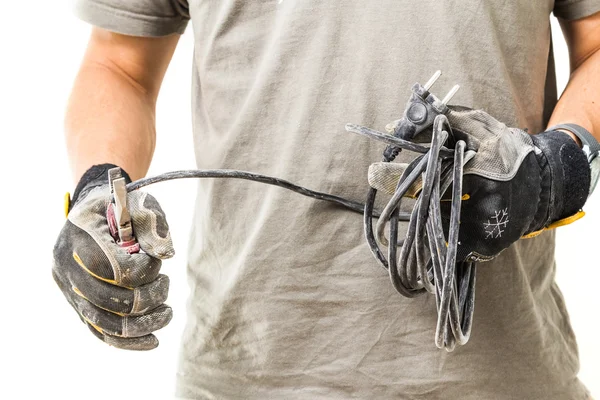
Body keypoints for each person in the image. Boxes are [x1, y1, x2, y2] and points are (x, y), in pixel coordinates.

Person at [52, 1, 600, 399]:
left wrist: (564, 161)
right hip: (248, 373)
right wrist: (101, 183)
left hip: (501, 373)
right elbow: (119, 66)